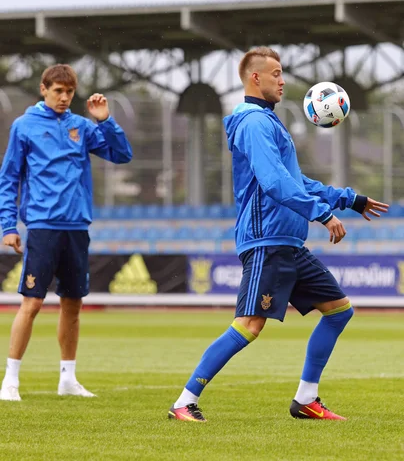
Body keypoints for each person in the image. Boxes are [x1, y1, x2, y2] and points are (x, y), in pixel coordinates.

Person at [168, 46, 388, 422]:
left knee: (338, 311)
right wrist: (322, 214)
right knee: (250, 325)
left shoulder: (269, 122)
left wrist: (349, 199)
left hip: (289, 243)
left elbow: (294, 180)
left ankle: (306, 400)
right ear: (256, 78)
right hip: (267, 240)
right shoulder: (253, 122)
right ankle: (184, 402)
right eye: (276, 74)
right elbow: (273, 183)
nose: (283, 81)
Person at [0, 64, 133, 401]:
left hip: (76, 227)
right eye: (58, 91)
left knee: (73, 305)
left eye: (69, 92)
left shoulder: (81, 127)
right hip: (43, 226)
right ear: (43, 89)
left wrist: (106, 120)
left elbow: (121, 155)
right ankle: (10, 380)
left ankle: (67, 379)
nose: (64, 98)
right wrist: (7, 226)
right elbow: (9, 178)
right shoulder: (24, 127)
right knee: (31, 303)